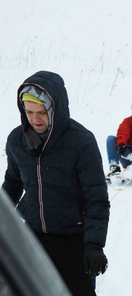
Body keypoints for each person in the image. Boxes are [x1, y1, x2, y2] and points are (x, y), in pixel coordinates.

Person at [1, 71, 110, 296]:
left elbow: (96, 197)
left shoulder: (81, 141)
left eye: (41, 112)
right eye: (29, 112)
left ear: (55, 109)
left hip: (73, 237)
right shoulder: (17, 141)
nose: (35, 118)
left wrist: (94, 245)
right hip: (32, 235)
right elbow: (12, 184)